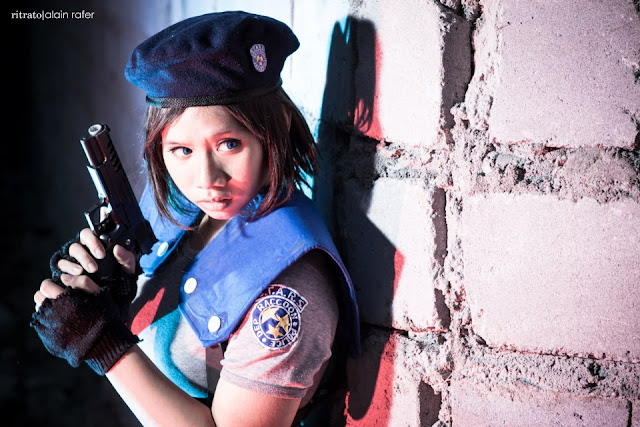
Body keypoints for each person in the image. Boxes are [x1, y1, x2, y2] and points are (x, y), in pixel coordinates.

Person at [31, 11, 360, 427]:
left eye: (229, 144)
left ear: (273, 130)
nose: (207, 180)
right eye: (181, 150)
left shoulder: (290, 286)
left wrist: (103, 344)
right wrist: (111, 291)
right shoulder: (180, 202)